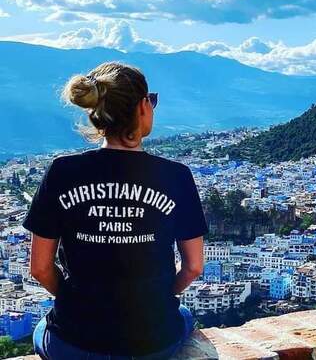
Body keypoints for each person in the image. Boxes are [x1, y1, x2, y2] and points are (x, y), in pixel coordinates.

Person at [24, 62, 209, 359]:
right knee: (184, 315)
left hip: (75, 341)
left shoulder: (62, 172)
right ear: (141, 107)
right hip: (152, 342)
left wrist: (76, 302)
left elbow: (39, 268)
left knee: (41, 330)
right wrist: (157, 299)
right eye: (152, 100)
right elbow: (194, 267)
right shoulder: (175, 176)